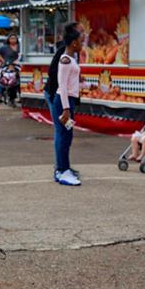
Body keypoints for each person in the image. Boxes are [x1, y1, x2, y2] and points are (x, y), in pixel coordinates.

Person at [46, 23, 82, 183]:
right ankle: (62, 170)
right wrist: (66, 108)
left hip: (67, 101)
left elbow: (70, 82)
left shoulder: (70, 58)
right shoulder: (66, 59)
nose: (82, 44)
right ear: (74, 42)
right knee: (63, 135)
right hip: (63, 102)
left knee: (67, 136)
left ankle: (64, 168)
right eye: (81, 40)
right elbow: (62, 86)